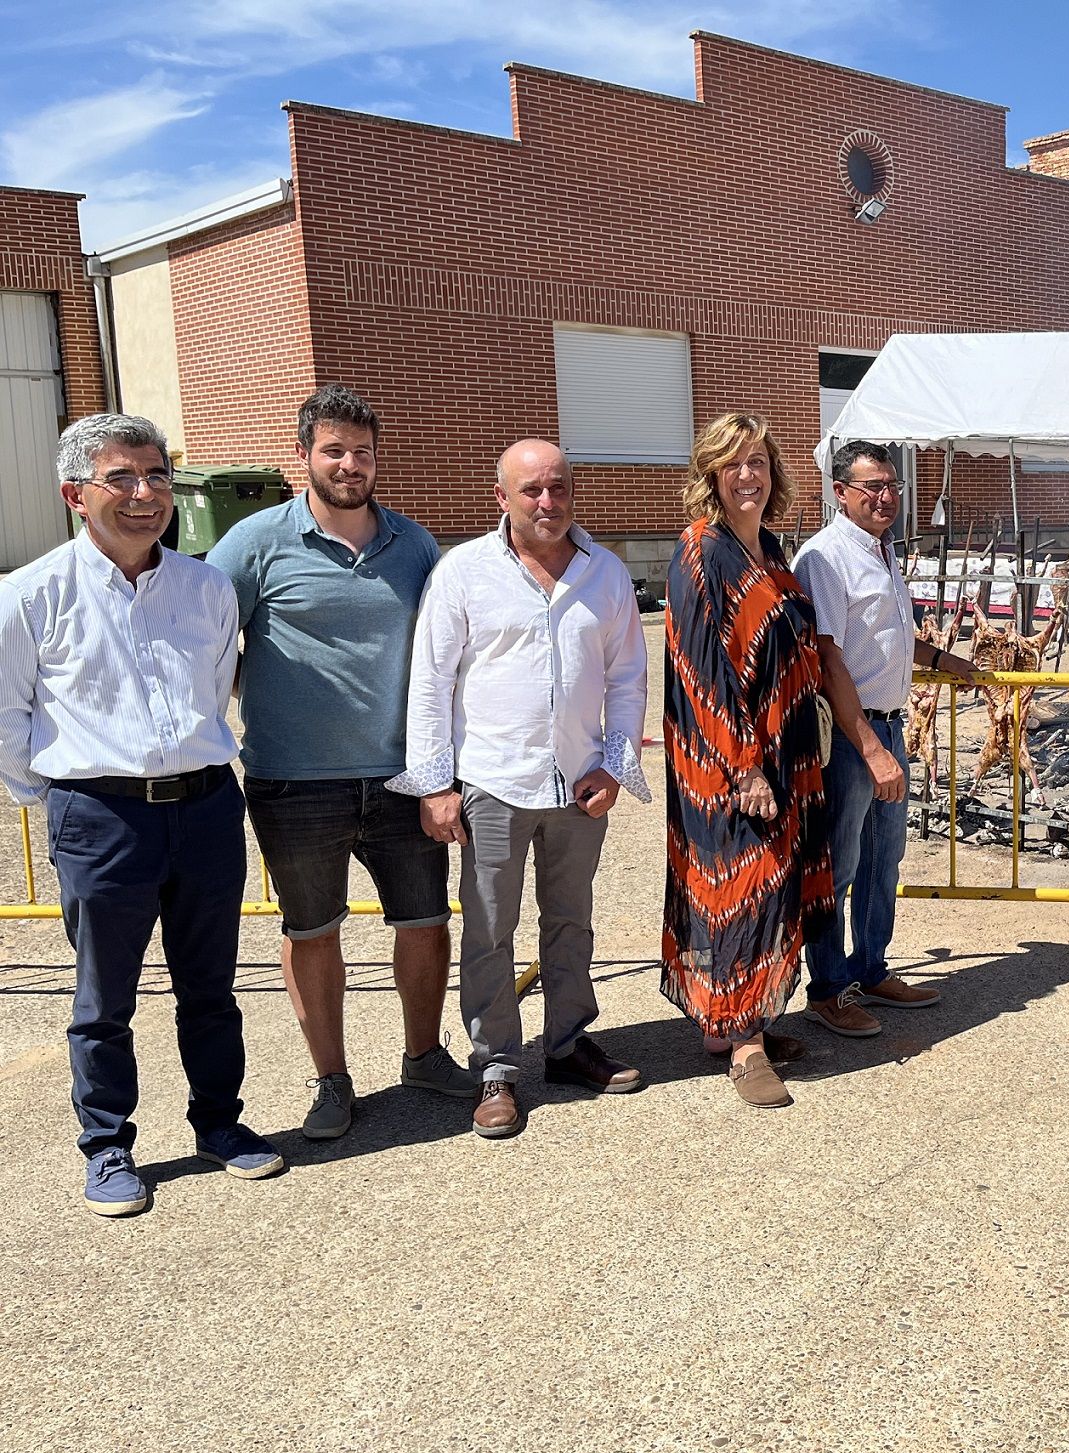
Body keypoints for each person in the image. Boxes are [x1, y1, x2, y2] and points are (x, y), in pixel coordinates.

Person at [0, 414, 282, 1214]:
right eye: (120, 478)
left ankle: (220, 1123)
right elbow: (7, 715)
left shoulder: (206, 587)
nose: (144, 493)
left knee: (212, 987)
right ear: (73, 494)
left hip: (203, 810)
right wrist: (59, 795)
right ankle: (108, 1146)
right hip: (99, 817)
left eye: (156, 475)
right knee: (103, 999)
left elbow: (216, 688)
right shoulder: (29, 594)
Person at [206, 385, 466, 1142]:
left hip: (400, 778)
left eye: (362, 451)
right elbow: (207, 638)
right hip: (294, 783)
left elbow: (445, 658)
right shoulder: (254, 543)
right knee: (312, 930)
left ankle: (423, 1053)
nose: (350, 464)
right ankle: (331, 1079)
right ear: (303, 456)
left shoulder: (414, 545)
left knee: (422, 921)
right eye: (333, 450)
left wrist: (441, 769)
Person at [390, 440, 649, 1140]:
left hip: (578, 785)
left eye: (558, 488)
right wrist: (434, 783)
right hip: (491, 784)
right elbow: (431, 681)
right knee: (489, 930)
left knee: (570, 921)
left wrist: (615, 764)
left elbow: (627, 676)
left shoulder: (606, 573)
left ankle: (567, 1045)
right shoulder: (464, 572)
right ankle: (497, 1067)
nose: (547, 502)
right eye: (531, 489)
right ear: (500, 496)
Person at [661, 413, 832, 1109]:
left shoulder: (768, 547)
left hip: (786, 753)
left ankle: (738, 1021)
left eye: (757, 460)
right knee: (740, 884)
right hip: (728, 760)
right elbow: (704, 672)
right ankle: (744, 1046)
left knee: (773, 884)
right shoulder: (701, 549)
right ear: (710, 474)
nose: (747, 475)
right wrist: (745, 767)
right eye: (732, 463)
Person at [793, 440, 976, 1038]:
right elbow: (828, 655)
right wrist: (870, 748)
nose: (885, 497)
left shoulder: (882, 551)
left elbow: (886, 636)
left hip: (888, 725)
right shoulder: (823, 557)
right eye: (871, 486)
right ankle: (828, 988)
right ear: (839, 492)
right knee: (839, 865)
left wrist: (944, 659)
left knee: (883, 860)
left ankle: (871, 968)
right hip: (853, 736)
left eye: (892, 485)